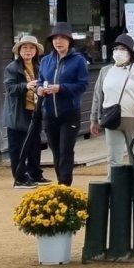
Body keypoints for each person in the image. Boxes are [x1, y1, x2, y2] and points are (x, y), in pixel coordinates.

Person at [89, 34, 134, 175]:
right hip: (111, 120)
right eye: (116, 48)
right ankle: (115, 193)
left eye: (123, 48)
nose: (118, 51)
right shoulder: (105, 71)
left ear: (130, 52)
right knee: (114, 160)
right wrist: (94, 119)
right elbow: (97, 96)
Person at [36, 21, 89, 186]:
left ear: (69, 41)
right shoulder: (45, 61)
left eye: (62, 38)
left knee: (66, 149)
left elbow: (83, 84)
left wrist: (61, 88)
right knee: (55, 149)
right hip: (49, 112)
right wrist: (39, 89)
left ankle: (65, 183)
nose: (58, 41)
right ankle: (61, 180)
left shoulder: (78, 60)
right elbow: (40, 81)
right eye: (55, 38)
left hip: (70, 112)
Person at [3, 34, 48, 188]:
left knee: (35, 145)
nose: (28, 51)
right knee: (17, 147)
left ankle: (35, 174)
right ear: (19, 51)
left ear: (36, 51)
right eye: (25, 48)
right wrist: (25, 86)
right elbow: (10, 89)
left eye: (31, 48)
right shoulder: (12, 68)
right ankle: (20, 178)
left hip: (34, 112)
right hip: (17, 114)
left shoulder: (40, 67)